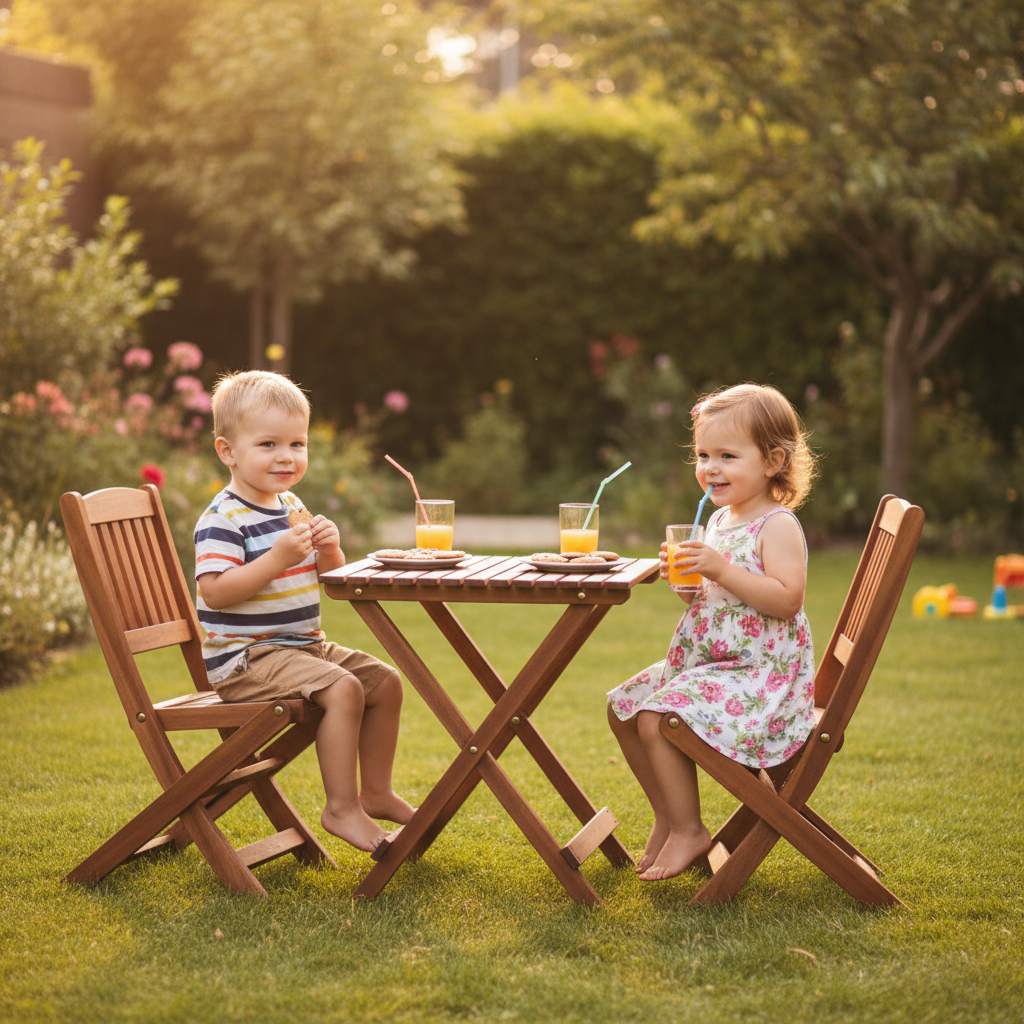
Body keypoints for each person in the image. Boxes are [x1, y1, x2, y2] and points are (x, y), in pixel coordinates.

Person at [194, 369, 415, 853]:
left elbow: (328, 578)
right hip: (246, 659)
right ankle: (341, 809)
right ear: (227, 451)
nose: (286, 457)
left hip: (300, 647)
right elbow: (215, 593)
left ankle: (375, 792)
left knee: (386, 682)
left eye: (297, 444)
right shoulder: (223, 520)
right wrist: (277, 557)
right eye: (269, 444)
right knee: (344, 688)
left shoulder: (290, 504)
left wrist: (331, 552)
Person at [607, 383, 818, 881]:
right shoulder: (721, 520)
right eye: (703, 455)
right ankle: (669, 814)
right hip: (718, 668)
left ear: (772, 461)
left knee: (658, 715)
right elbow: (712, 599)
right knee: (624, 707)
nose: (710, 467)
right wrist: (687, 580)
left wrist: (720, 569)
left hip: (762, 681)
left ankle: (690, 831)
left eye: (727, 455)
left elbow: (787, 601)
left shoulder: (776, 525)